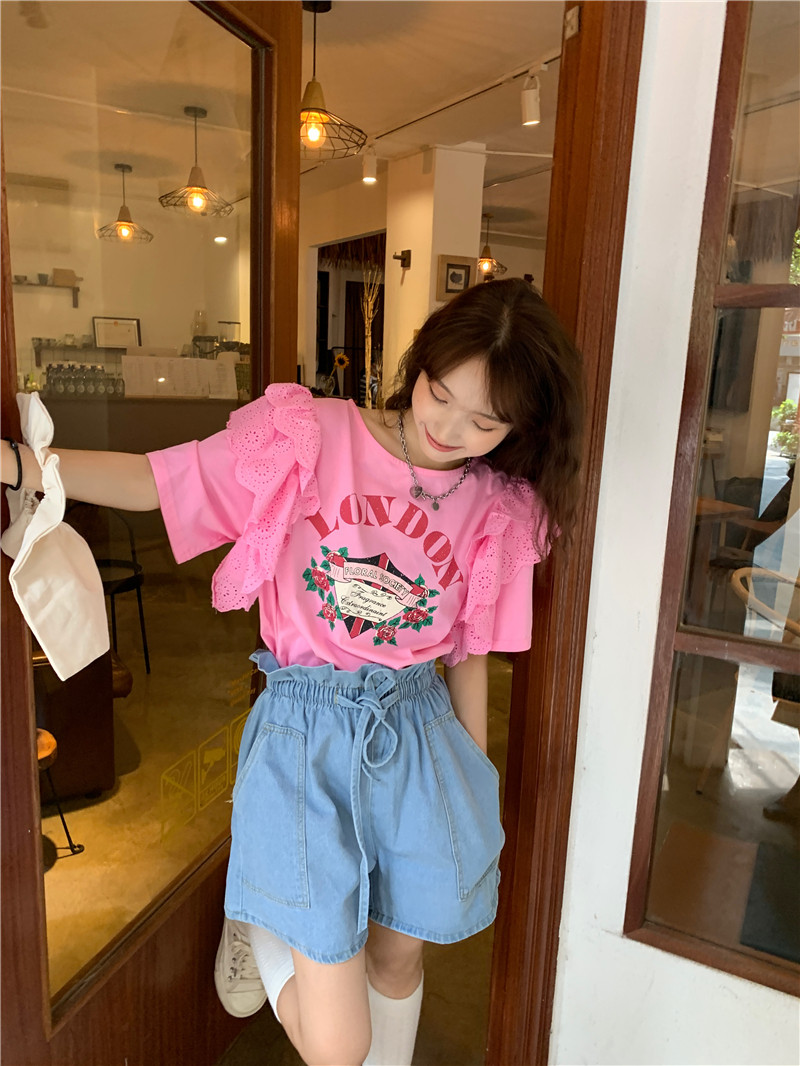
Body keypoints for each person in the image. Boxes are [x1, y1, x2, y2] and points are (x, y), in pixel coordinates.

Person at [1, 278, 583, 1066]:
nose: (449, 429)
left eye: (485, 422)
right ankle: (262, 916)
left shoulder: (500, 505)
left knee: (398, 958)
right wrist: (23, 465)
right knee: (338, 1047)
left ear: (521, 426)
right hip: (308, 731)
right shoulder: (311, 438)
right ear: (421, 364)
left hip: (419, 734)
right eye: (440, 394)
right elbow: (159, 481)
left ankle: (274, 901)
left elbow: (468, 652)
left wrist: (471, 782)